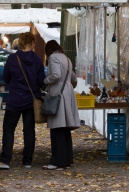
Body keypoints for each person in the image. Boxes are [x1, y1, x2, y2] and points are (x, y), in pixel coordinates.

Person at [0, 32, 45, 169]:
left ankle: (5, 160)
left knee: (8, 129)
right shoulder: (37, 60)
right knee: (29, 130)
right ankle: (27, 161)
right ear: (32, 43)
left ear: (20, 42)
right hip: (31, 100)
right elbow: (41, 81)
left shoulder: (13, 58)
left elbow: (6, 78)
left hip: (15, 100)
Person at [42, 40, 80, 170]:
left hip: (58, 93)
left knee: (57, 128)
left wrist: (46, 81)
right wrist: (69, 85)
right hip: (68, 93)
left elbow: (56, 75)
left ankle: (57, 161)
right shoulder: (67, 58)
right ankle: (67, 160)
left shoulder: (53, 57)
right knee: (65, 130)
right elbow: (74, 79)